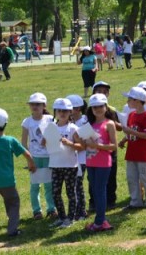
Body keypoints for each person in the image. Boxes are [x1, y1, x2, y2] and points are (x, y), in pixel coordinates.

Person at [80, 94, 117, 232]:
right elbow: (85, 146)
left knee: (100, 191)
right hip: (90, 162)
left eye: (100, 106)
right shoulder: (89, 124)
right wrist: (81, 141)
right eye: (95, 107)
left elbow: (114, 146)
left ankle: (100, 221)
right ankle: (101, 220)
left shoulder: (109, 124)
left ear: (106, 107)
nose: (98, 109)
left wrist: (97, 146)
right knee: (95, 191)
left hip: (103, 163)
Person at [0, 107, 37, 237]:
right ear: (5, 124)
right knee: (13, 204)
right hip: (7, 182)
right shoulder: (10, 140)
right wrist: (32, 164)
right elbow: (27, 154)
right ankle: (12, 230)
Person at [120, 86, 146, 209]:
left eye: (130, 99)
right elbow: (132, 132)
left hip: (143, 153)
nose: (127, 102)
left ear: (137, 101)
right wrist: (124, 139)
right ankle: (135, 201)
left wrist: (131, 131)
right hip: (132, 152)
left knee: (145, 178)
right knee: (131, 178)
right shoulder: (131, 115)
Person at [21, 92, 56, 220]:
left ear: (44, 105)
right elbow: (24, 142)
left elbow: (55, 136)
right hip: (34, 157)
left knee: (49, 184)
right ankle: (36, 211)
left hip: (48, 156)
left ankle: (51, 209)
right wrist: (28, 159)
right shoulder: (27, 122)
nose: (35, 106)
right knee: (35, 185)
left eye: (38, 104)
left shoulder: (51, 119)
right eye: (32, 104)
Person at [48, 98, 81, 229]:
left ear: (70, 112)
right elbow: (46, 143)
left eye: (65, 111)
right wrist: (45, 142)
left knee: (70, 192)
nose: (62, 113)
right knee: (55, 192)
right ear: (55, 112)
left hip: (70, 165)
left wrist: (71, 144)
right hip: (55, 164)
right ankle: (61, 217)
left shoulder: (73, 128)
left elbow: (81, 146)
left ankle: (70, 218)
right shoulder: (52, 127)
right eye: (59, 111)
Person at [66, 94, 88, 220]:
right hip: (69, 158)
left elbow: (84, 143)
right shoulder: (67, 122)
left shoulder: (84, 121)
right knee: (72, 186)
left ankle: (81, 211)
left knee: (77, 185)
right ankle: (76, 210)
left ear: (78, 109)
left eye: (70, 109)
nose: (67, 112)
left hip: (82, 158)